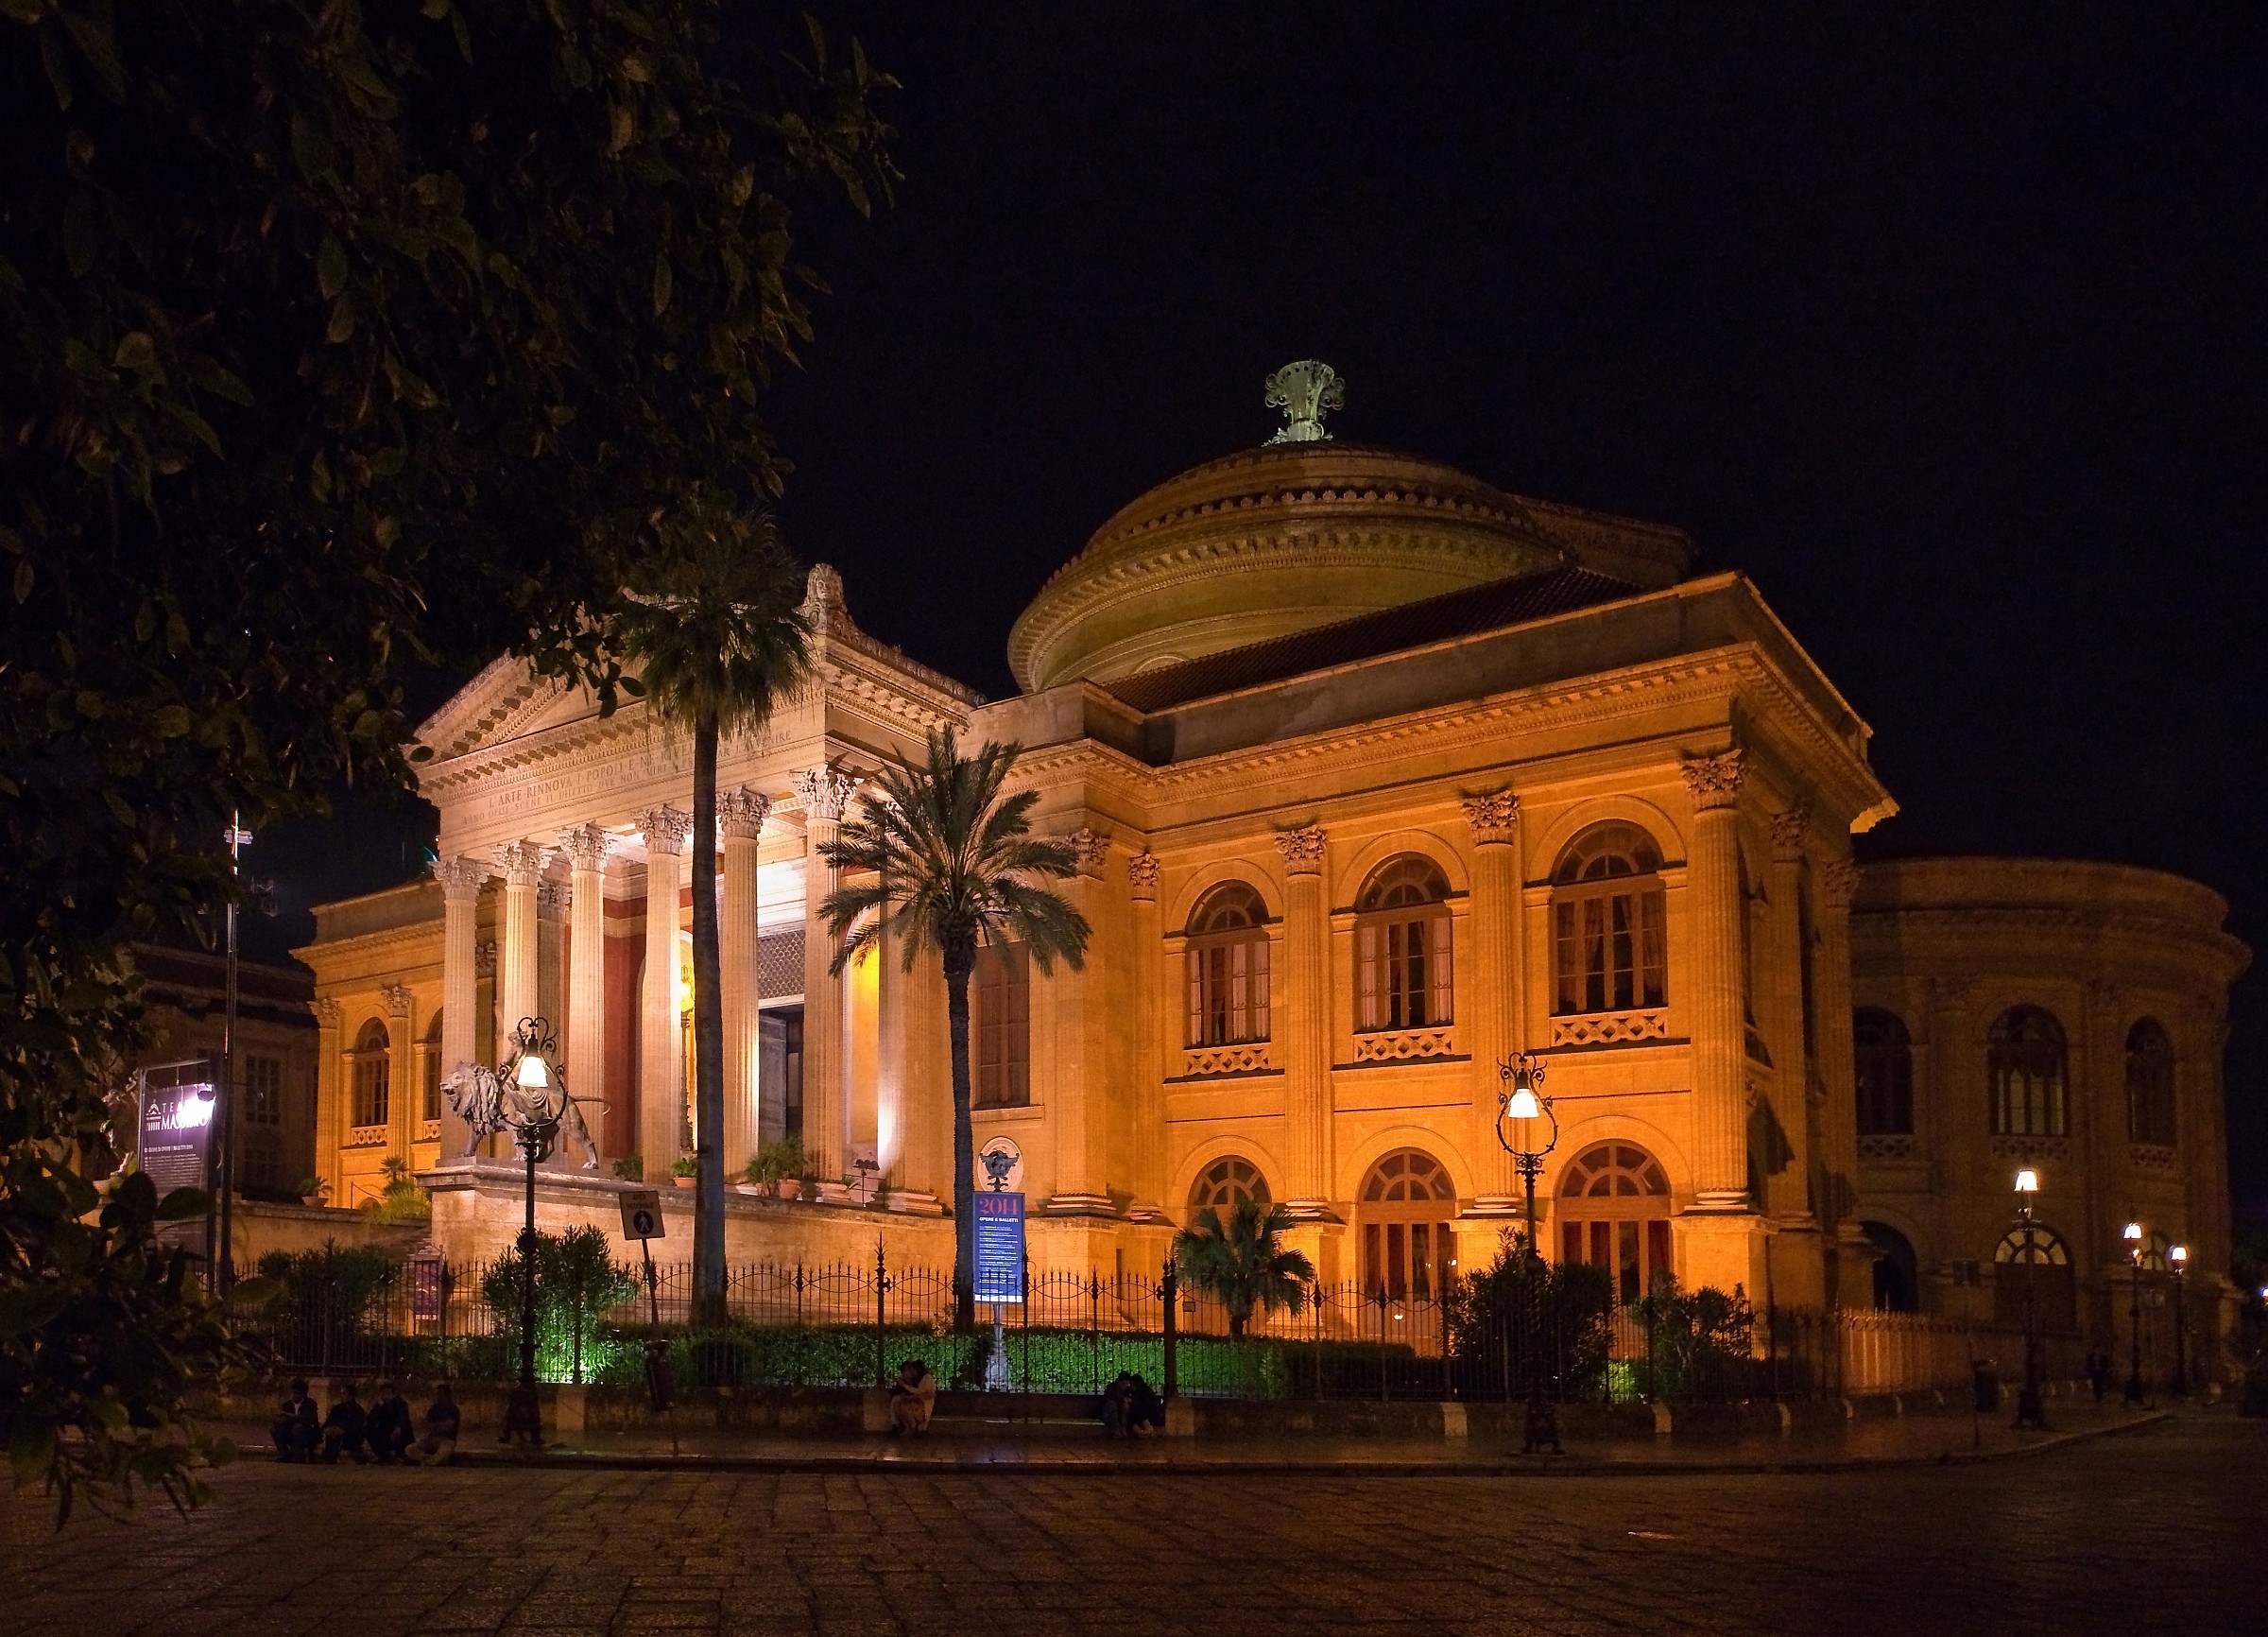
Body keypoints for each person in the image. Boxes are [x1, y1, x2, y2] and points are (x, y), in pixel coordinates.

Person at [405, 1381, 462, 1466]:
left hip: (446, 1439)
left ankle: (431, 1461)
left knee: (444, 1450)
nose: (437, 1396)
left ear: (447, 1395)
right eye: (437, 1394)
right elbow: (424, 1424)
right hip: (431, 1438)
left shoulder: (453, 1409)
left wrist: (434, 1426)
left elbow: (447, 1427)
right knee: (409, 1449)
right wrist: (439, 1425)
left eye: (440, 1394)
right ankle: (429, 1460)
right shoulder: (433, 1409)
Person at [318, 1380, 369, 1464]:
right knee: (332, 1436)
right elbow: (329, 1421)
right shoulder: (337, 1409)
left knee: (338, 1438)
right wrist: (327, 1428)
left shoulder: (358, 1410)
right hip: (335, 1435)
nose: (342, 1396)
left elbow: (356, 1428)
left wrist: (343, 1430)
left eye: (344, 1393)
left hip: (351, 1438)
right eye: (341, 1393)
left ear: (351, 1396)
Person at [365, 1381, 415, 1463]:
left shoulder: (401, 1404)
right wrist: (379, 1407)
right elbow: (370, 1420)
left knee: (400, 1431)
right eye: (383, 1394)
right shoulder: (379, 1406)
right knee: (369, 1430)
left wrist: (398, 1427)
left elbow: (402, 1417)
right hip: (386, 1432)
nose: (386, 1396)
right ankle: (383, 1455)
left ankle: (400, 1455)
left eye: (388, 1393)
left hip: (400, 1432)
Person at [271, 1378, 319, 1463]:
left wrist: (287, 1415)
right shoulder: (287, 1405)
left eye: (296, 1393)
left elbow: (305, 1419)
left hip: (308, 1433)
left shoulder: (310, 1404)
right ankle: (285, 1454)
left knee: (298, 1428)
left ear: (303, 1394)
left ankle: (299, 1456)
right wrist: (280, 1420)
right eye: (292, 1393)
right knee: (275, 1429)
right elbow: (283, 1420)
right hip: (291, 1432)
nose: (293, 1395)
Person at [887, 1358, 936, 1435]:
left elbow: (920, 1392)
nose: (911, 1372)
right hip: (917, 1402)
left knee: (901, 1405)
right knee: (897, 1402)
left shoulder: (925, 1378)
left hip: (922, 1405)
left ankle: (911, 1426)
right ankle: (898, 1424)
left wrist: (905, 1387)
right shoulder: (917, 1379)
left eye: (912, 1369)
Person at [1125, 1372, 1165, 1436]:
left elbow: (1142, 1405)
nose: (1131, 1386)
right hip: (1151, 1414)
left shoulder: (1142, 1392)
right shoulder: (1143, 1390)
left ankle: (1145, 1428)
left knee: (1136, 1408)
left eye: (1132, 1384)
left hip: (1149, 1415)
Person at [1100, 1370, 1135, 1437]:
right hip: (1111, 1413)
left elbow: (1132, 1398)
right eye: (1125, 1384)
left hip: (1122, 1412)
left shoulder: (1128, 1390)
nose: (1126, 1386)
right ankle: (1116, 1428)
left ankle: (1124, 1428)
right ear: (1120, 1382)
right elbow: (1109, 1399)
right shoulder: (1111, 1388)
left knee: (1126, 1407)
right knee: (1112, 1405)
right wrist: (1122, 1400)